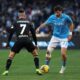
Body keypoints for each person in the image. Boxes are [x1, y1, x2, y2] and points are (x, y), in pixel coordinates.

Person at [2, 8, 42, 75]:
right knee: (35, 54)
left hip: (19, 40)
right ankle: (38, 69)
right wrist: (36, 43)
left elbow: (11, 33)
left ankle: (6, 71)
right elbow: (33, 34)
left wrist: (8, 42)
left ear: (18, 15)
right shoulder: (29, 22)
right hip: (27, 40)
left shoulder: (15, 22)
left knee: (11, 56)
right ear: (25, 15)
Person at [36, 5, 74, 74]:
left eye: (58, 12)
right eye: (56, 12)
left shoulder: (66, 17)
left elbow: (71, 24)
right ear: (55, 12)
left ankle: (63, 67)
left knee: (63, 54)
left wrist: (70, 33)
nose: (57, 13)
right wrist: (38, 28)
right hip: (55, 37)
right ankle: (46, 67)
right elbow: (45, 23)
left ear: (61, 11)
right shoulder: (52, 17)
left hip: (64, 37)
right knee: (48, 52)